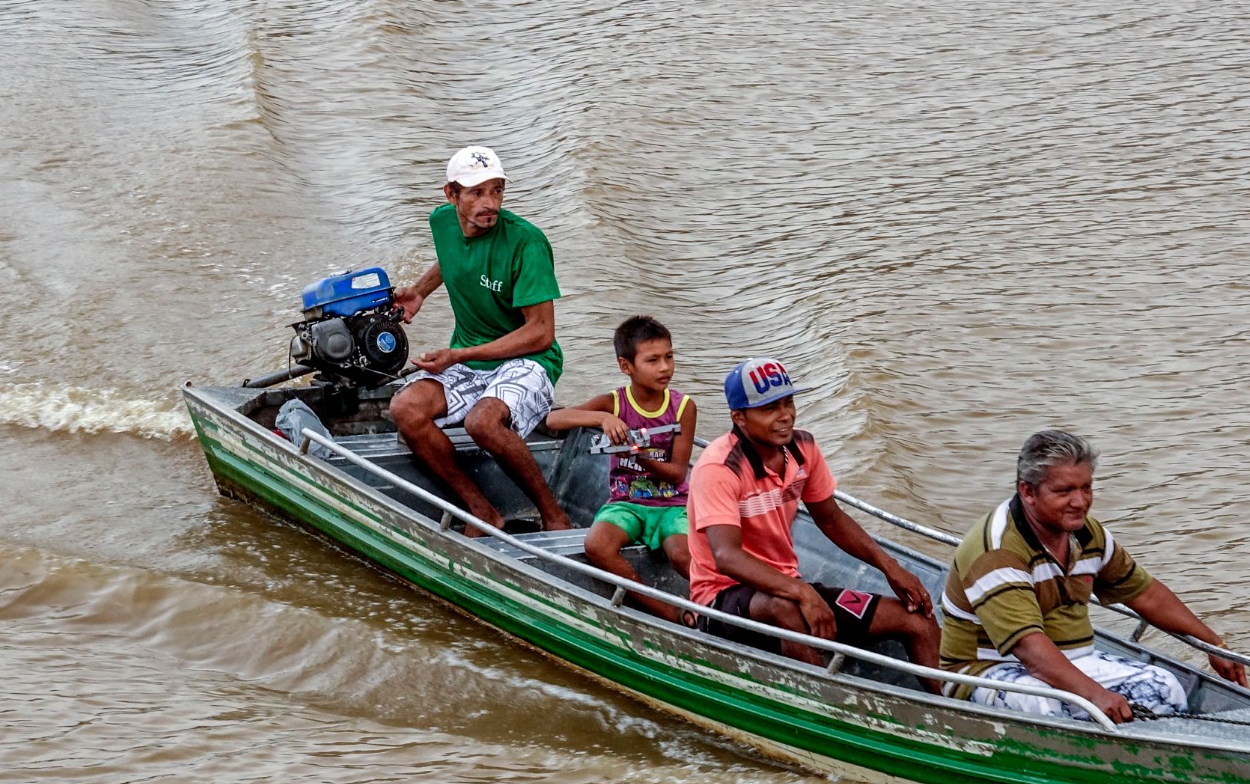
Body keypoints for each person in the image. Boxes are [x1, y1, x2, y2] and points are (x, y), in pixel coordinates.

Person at [940, 429, 1249, 724]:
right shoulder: (998, 550)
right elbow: (1028, 648)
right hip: (989, 671)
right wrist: (1096, 695)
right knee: (1044, 705)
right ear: (1028, 492)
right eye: (1064, 491)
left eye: (1086, 488)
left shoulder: (1088, 534)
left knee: (1164, 687)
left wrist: (1213, 644)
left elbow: (1146, 595)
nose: (1080, 502)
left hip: (1072, 660)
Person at [686, 358, 942, 689]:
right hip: (721, 601)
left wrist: (890, 567)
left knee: (916, 618)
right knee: (786, 606)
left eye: (788, 402)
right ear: (739, 418)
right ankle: (826, 705)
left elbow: (830, 518)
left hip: (786, 586)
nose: (785, 415)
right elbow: (727, 557)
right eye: (769, 408)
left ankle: (952, 713)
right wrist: (803, 593)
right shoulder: (720, 468)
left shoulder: (803, 448)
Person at [387, 145, 572, 532]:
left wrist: (459, 354)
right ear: (451, 195)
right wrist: (420, 290)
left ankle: (553, 515)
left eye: (497, 191)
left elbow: (541, 333)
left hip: (529, 360)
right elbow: (453, 254)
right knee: (405, 409)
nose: (490, 203)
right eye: (476, 193)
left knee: (482, 423)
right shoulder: (442, 222)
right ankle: (481, 510)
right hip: (470, 361)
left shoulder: (527, 243)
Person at [543, 315, 696, 621]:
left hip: (671, 504)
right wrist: (602, 419)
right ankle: (665, 611)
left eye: (669, 357)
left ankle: (717, 611)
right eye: (652, 360)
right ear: (627, 366)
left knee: (682, 555)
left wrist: (639, 456)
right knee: (597, 545)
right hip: (626, 502)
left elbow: (678, 472)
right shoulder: (615, 402)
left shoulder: (682, 407)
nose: (665, 367)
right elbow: (553, 420)